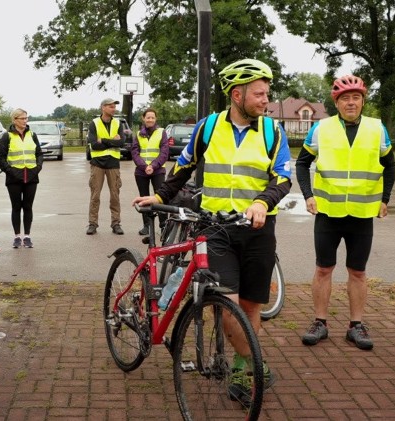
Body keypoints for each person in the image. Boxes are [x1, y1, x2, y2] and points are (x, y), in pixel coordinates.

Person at [133, 58, 292, 402]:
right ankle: (254, 365)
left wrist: (262, 203)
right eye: (260, 94)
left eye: (267, 94)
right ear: (237, 95)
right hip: (216, 228)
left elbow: (282, 177)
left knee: (250, 304)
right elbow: (184, 166)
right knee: (227, 302)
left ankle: (240, 366)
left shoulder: (271, 131)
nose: (266, 100)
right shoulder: (207, 128)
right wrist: (158, 196)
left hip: (258, 229)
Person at [297, 75, 395, 351]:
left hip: (362, 214)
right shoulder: (321, 129)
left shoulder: (377, 129)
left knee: (358, 272)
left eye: (356, 98)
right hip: (328, 212)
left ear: (363, 101)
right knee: (323, 269)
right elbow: (303, 164)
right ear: (337, 103)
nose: (351, 102)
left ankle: (356, 326)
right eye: (345, 98)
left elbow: (389, 165)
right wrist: (308, 195)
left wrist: (385, 198)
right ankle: (320, 322)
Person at [0, 108, 44, 248]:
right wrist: (10, 171)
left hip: (31, 177)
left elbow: (39, 154)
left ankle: (27, 236)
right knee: (16, 207)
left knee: (28, 207)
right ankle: (17, 236)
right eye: (22, 118)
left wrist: (37, 168)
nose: (25, 121)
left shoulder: (32, 135)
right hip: (14, 178)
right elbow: (0, 157)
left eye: (26, 118)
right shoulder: (7, 136)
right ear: (15, 120)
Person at [86, 98, 126, 235]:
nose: (113, 109)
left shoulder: (118, 123)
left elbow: (122, 142)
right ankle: (92, 224)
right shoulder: (94, 123)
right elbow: (93, 144)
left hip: (113, 163)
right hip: (97, 163)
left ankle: (116, 223)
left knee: (115, 195)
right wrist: (111, 141)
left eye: (114, 106)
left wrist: (102, 140)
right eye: (110, 106)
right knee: (95, 195)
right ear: (103, 107)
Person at [131, 107, 169, 235]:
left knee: (161, 197)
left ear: (155, 119)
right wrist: (144, 166)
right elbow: (135, 152)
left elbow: (164, 152)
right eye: (148, 117)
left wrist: (153, 165)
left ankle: (164, 226)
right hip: (142, 172)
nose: (150, 119)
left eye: (153, 117)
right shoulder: (138, 134)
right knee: (143, 198)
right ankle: (146, 226)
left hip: (158, 170)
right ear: (143, 118)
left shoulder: (161, 132)